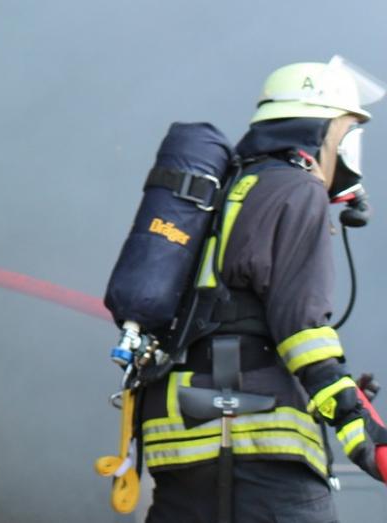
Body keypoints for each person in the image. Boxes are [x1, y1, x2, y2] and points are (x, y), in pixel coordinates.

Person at [137, 58, 387, 522]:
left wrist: (331, 383)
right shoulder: (296, 189)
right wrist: (359, 427)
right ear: (322, 129)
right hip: (253, 439)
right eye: (348, 131)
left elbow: (237, 315)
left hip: (178, 436)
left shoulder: (226, 189)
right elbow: (300, 329)